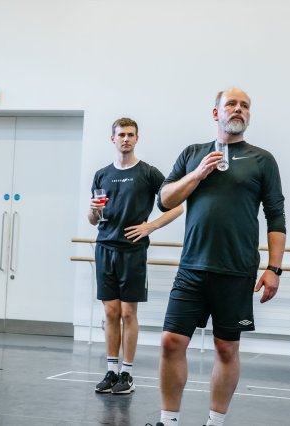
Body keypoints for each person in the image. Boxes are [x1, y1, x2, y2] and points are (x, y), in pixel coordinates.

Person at [152, 88, 286, 426]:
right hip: (192, 268)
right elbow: (165, 200)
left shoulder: (262, 160)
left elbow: (276, 216)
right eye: (231, 104)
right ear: (216, 114)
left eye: (245, 106)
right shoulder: (192, 153)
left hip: (237, 272)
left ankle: (215, 422)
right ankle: (169, 421)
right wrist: (197, 174)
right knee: (170, 341)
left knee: (227, 348)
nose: (238, 109)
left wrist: (274, 268)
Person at [88, 117, 183, 395]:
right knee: (110, 312)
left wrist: (151, 226)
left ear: (137, 139)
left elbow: (177, 206)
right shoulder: (102, 174)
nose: (126, 139)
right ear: (113, 139)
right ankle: (111, 370)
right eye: (121, 134)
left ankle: (127, 374)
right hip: (105, 247)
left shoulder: (148, 173)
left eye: (131, 134)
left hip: (133, 251)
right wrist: (93, 210)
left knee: (128, 312)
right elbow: (93, 218)